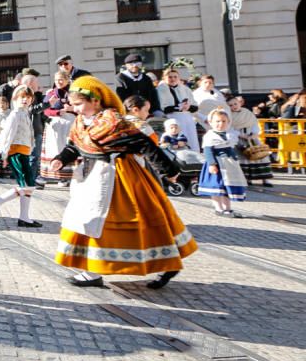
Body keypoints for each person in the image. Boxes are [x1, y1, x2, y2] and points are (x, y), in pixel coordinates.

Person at [48, 76, 195, 289]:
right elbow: (74, 146)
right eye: (74, 104)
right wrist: (60, 160)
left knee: (134, 222)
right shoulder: (80, 122)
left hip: (121, 177)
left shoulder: (115, 122)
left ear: (96, 101)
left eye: (79, 104)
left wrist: (169, 171)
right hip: (91, 178)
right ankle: (91, 272)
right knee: (83, 222)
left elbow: (145, 145)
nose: (76, 109)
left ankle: (166, 263)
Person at [0, 85, 42, 227]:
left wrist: (31, 147)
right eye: (22, 97)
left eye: (28, 97)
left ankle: (23, 217)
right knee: (27, 184)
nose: (25, 100)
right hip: (15, 152)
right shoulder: (15, 114)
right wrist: (4, 153)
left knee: (28, 185)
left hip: (23, 152)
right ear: (15, 98)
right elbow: (7, 134)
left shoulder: (25, 113)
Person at [198, 107, 247, 216]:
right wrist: (212, 164)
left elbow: (232, 148)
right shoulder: (210, 136)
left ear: (228, 122)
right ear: (211, 122)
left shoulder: (230, 135)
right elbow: (208, 151)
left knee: (226, 187)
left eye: (224, 121)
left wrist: (236, 157)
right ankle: (218, 208)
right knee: (216, 187)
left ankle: (227, 208)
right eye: (217, 121)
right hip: (217, 164)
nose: (221, 124)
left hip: (229, 165)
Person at [227, 96, 273, 187]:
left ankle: (265, 179)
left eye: (235, 104)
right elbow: (229, 128)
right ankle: (247, 179)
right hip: (238, 139)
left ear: (239, 103)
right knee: (243, 158)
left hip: (252, 138)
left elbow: (255, 124)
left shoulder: (247, 113)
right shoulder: (228, 115)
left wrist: (254, 134)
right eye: (231, 105)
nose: (234, 106)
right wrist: (240, 135)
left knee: (260, 156)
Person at [40, 70, 75, 186]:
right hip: (55, 124)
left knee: (67, 147)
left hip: (70, 123)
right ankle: (54, 175)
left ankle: (68, 176)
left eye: (61, 79)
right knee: (54, 148)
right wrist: (57, 112)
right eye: (56, 80)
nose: (59, 82)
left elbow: (81, 106)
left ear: (67, 79)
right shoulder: (51, 93)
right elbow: (45, 110)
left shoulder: (74, 92)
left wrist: (71, 109)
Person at [156, 68, 200, 153]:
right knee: (178, 139)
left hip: (187, 117)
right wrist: (178, 107)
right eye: (170, 77)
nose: (173, 79)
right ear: (165, 78)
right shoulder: (161, 89)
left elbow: (195, 107)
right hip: (173, 117)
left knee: (192, 139)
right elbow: (165, 108)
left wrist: (188, 107)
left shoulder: (185, 89)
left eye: (175, 77)